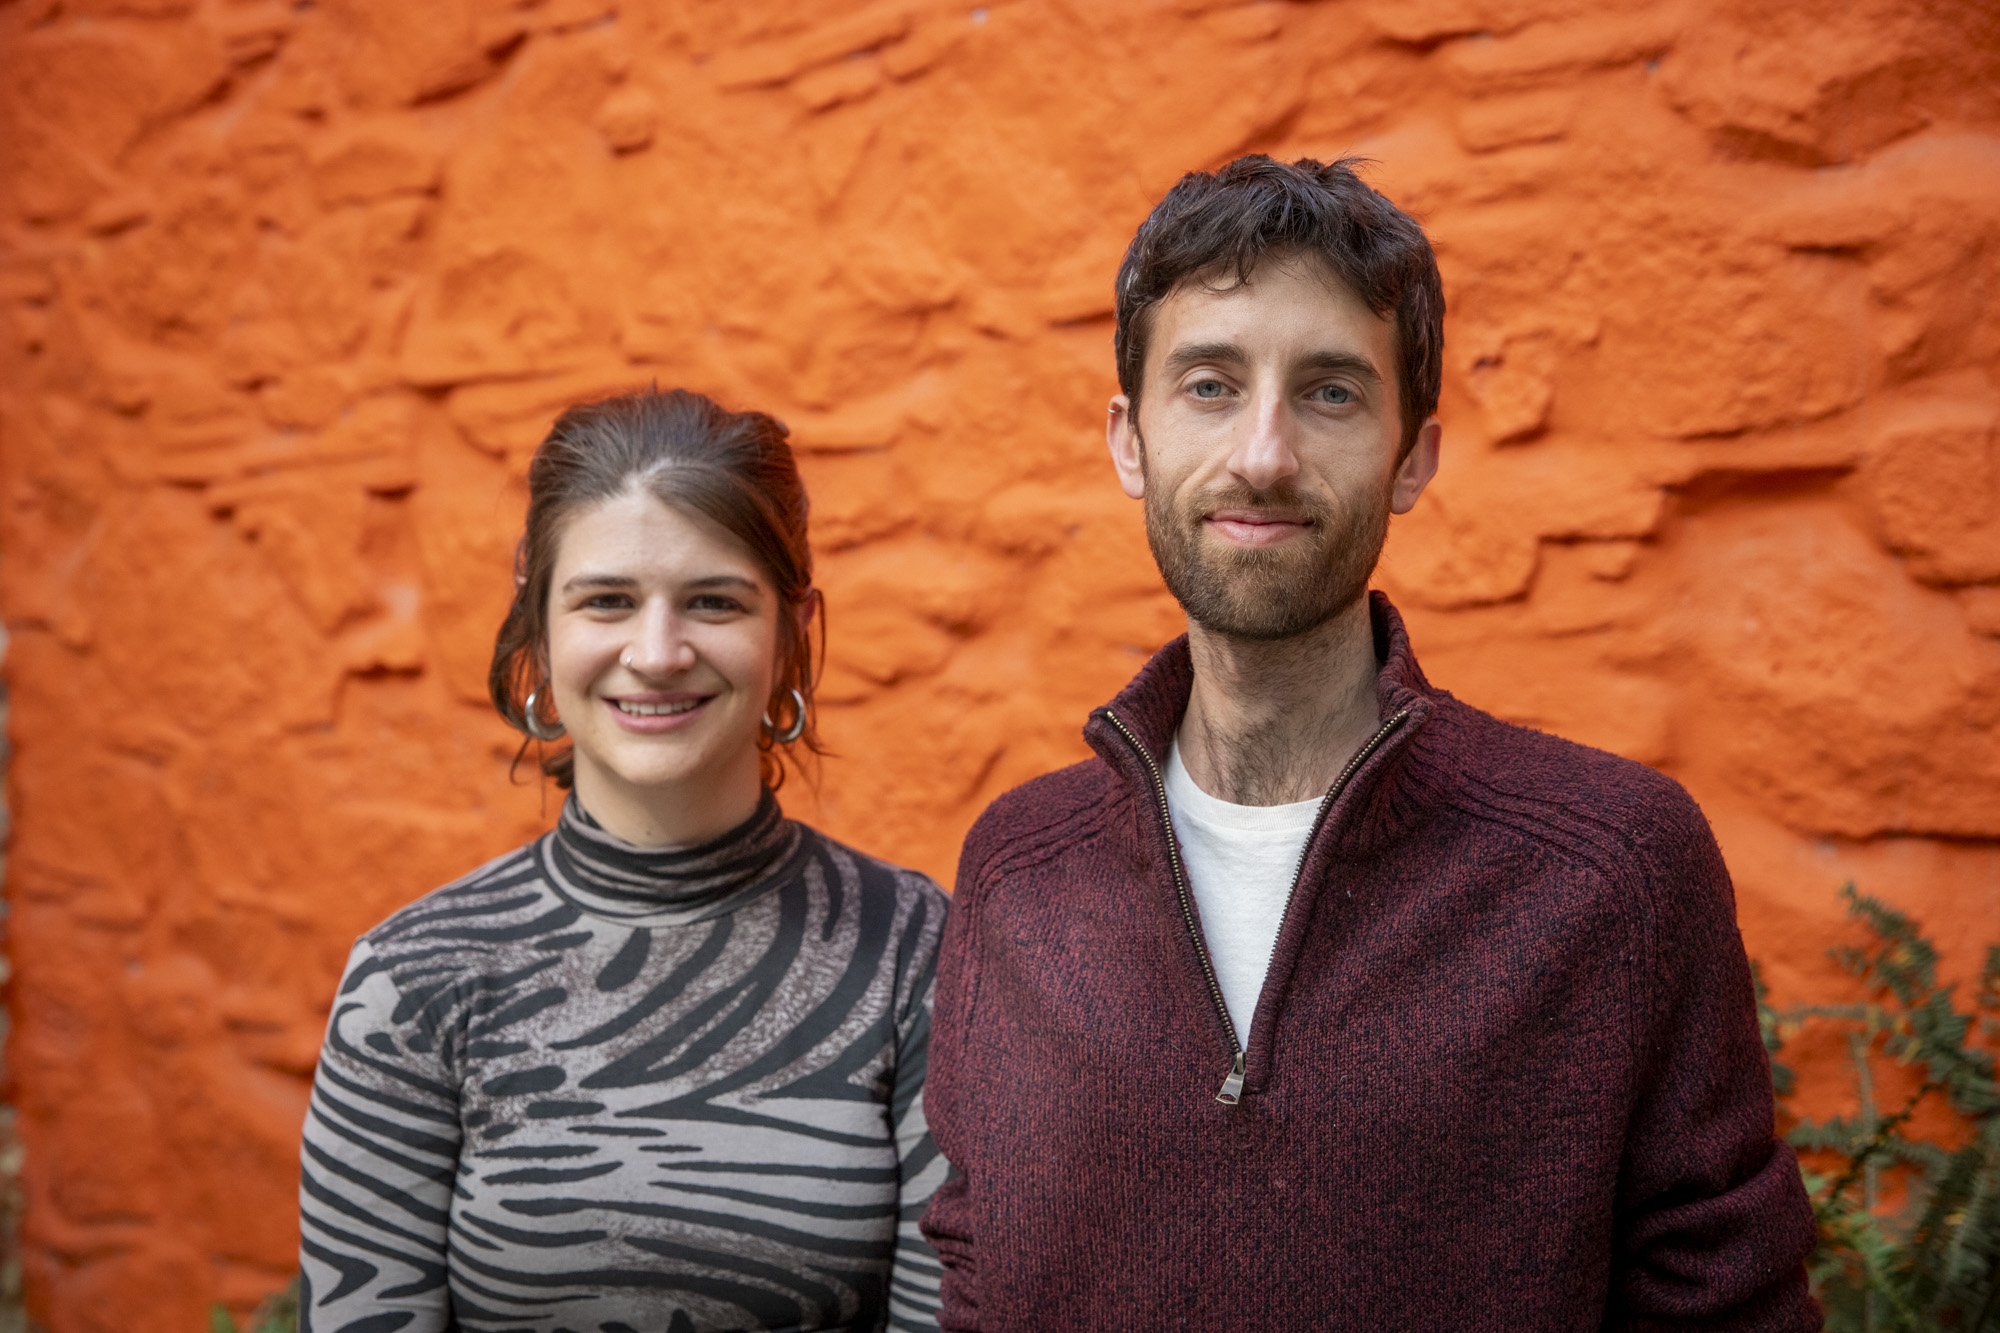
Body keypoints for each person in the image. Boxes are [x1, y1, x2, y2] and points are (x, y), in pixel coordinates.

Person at [920, 157, 1819, 1329]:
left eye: (1330, 392)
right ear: (1127, 440)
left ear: (1412, 457)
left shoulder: (1614, 870)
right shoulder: (1017, 870)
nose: (1262, 454)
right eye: (1207, 384)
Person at [298, 388, 949, 1332]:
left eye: (713, 601)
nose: (656, 652)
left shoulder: (913, 951)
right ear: (540, 628)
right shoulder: (412, 980)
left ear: (791, 631)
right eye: (606, 600)